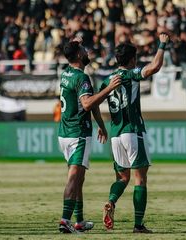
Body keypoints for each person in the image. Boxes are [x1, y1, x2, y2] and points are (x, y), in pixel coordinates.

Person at [101, 33, 170, 233]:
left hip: (115, 134)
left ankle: (111, 202)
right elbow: (155, 66)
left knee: (122, 178)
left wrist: (99, 124)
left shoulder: (107, 80)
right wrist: (162, 43)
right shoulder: (131, 75)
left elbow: (96, 101)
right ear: (132, 60)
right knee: (140, 179)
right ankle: (138, 225)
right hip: (132, 131)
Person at [58, 38, 121, 233]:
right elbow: (87, 103)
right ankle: (65, 220)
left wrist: (101, 125)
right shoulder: (81, 78)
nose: (87, 52)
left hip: (65, 133)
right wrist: (109, 88)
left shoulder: (66, 73)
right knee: (74, 178)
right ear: (78, 55)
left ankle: (79, 221)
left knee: (79, 179)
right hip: (78, 134)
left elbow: (88, 103)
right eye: (84, 50)